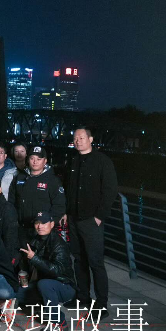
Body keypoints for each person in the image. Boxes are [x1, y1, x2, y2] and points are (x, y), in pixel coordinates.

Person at [65, 127, 118, 313]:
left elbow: (110, 190)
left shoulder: (102, 161)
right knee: (79, 260)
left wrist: (99, 216)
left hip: (91, 219)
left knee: (95, 262)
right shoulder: (72, 160)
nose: (78, 141)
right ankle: (83, 297)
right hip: (73, 218)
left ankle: (101, 304)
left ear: (90, 139)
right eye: (75, 138)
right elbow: (68, 188)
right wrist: (66, 212)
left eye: (81, 137)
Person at [16, 211, 77, 331]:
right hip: (42, 284)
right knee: (16, 293)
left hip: (64, 286)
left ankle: (59, 322)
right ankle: (43, 307)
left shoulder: (59, 244)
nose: (40, 226)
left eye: (44, 223)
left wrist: (35, 258)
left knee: (45, 284)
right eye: (37, 223)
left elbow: (57, 270)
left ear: (52, 224)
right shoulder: (36, 240)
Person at [10, 145, 66, 247]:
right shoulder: (20, 177)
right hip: (22, 227)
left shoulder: (53, 180)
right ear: (28, 160)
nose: (35, 162)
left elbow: (59, 205)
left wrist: (51, 222)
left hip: (42, 229)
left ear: (45, 161)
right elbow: (11, 201)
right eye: (32, 158)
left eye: (39, 159)